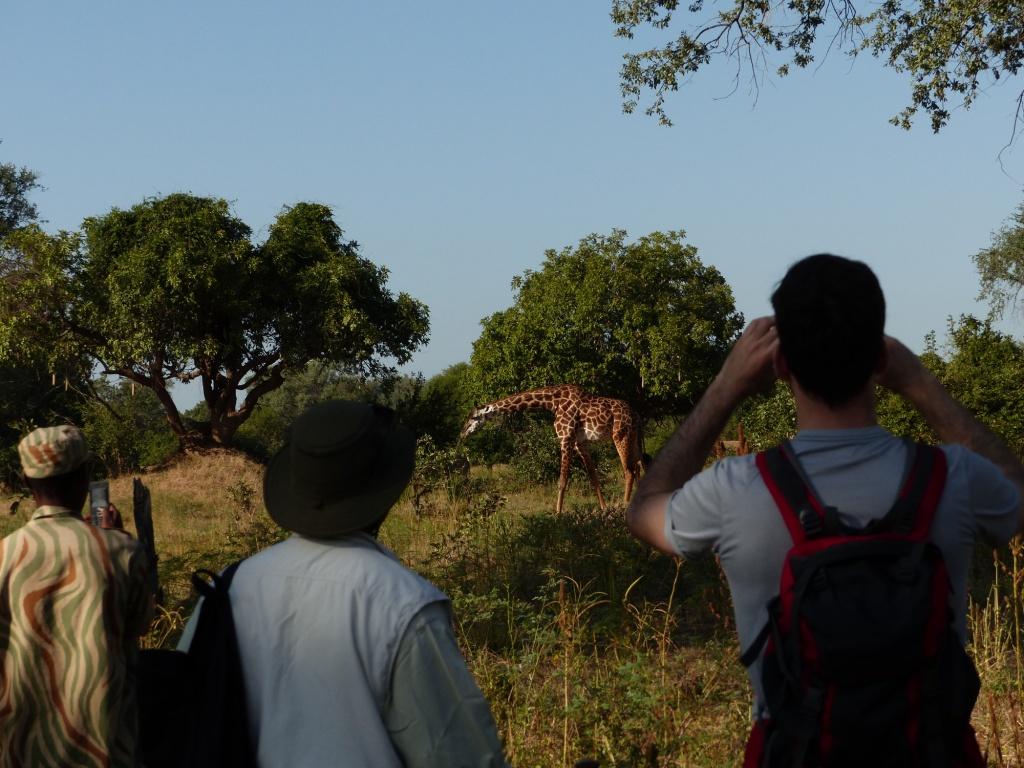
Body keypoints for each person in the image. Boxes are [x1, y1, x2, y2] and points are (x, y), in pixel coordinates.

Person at [627, 254, 1024, 756]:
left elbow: (644, 512)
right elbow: (1019, 497)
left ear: (779, 364)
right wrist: (922, 385)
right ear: (881, 359)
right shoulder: (957, 478)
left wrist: (725, 388)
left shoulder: (735, 488)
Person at [185, 399, 510, 768]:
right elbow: (459, 755)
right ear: (386, 489)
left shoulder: (227, 587)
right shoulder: (403, 605)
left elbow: (182, 715)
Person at [0, 425, 153, 767]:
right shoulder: (122, 550)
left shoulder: (3, 556)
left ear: (26, 483)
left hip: (20, 751)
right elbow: (140, 622)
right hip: (107, 750)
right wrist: (112, 538)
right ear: (85, 477)